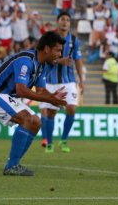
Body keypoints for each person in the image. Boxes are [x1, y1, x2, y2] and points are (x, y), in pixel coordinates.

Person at [0, 31, 67, 176]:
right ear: (46, 49)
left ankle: (14, 164)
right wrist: (50, 99)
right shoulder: (26, 60)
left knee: (36, 122)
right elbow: (21, 90)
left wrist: (52, 96)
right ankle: (12, 166)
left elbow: (40, 90)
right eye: (57, 50)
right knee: (26, 119)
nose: (59, 54)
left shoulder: (42, 66)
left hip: (6, 97)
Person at [39, 12, 84, 153]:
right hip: (51, 81)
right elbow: (43, 57)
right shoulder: (50, 39)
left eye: (68, 20)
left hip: (68, 81)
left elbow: (78, 60)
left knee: (71, 108)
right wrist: (60, 61)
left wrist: (81, 80)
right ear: (57, 22)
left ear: (70, 23)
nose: (65, 22)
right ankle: (50, 143)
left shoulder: (74, 40)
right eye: (62, 19)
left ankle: (64, 140)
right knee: (51, 113)